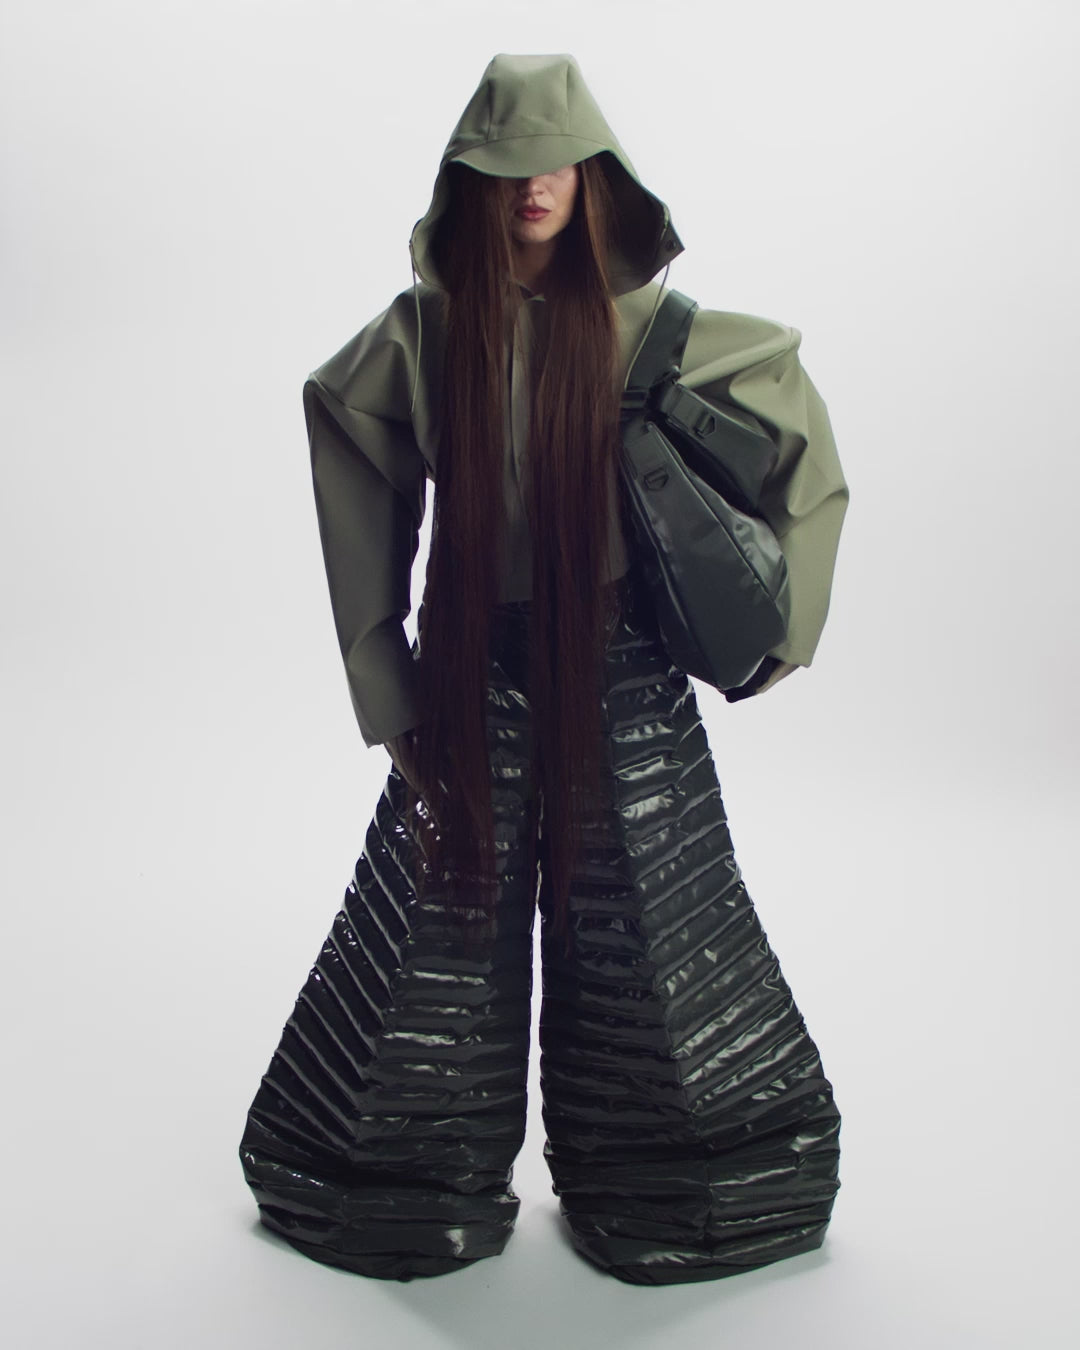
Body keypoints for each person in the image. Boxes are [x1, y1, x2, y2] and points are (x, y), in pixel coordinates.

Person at [238, 52, 849, 1287]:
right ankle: (392, 1183)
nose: (533, 187)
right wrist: (386, 682)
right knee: (435, 937)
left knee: (656, 928)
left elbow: (796, 427)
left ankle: (701, 1178)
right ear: (470, 182)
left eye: (556, 163)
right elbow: (345, 430)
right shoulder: (424, 335)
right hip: (471, 669)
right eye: (507, 167)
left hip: (620, 670)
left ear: (593, 176)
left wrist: (788, 628)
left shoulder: (653, 330)